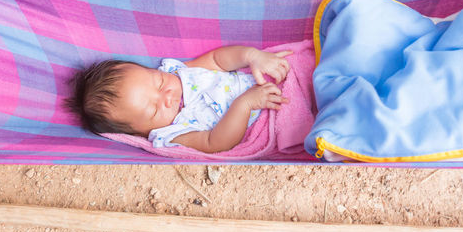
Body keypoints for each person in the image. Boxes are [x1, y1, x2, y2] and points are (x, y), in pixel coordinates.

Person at [65, 47, 293, 153]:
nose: (167, 96)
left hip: (266, 77)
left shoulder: (179, 72)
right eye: (154, 110)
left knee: (297, 61)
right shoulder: (171, 134)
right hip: (265, 118)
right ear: (140, 133)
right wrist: (245, 104)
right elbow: (215, 142)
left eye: (159, 82)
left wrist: (251, 56)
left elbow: (217, 60)